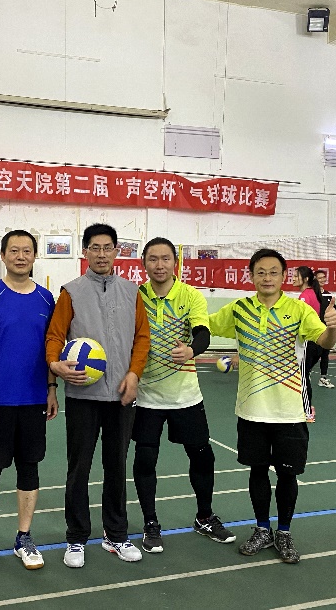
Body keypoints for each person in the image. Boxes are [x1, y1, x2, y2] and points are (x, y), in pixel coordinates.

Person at [208, 249, 336, 565]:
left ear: (284, 277)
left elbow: (324, 341)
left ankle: (284, 532)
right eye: (261, 272)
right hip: (252, 408)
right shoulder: (239, 309)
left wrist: (333, 327)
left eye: (274, 272)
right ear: (251, 276)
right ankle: (262, 528)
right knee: (257, 471)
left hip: (289, 409)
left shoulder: (298, 309)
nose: (267, 278)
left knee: (287, 474)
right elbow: (206, 324)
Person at [46, 223, 150, 568]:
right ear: (85, 252)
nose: (102, 254)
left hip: (121, 396)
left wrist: (134, 374)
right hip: (82, 397)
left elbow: (142, 338)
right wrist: (55, 365)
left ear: (117, 251)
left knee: (116, 466)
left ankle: (116, 534)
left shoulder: (132, 292)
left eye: (108, 248)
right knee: (79, 468)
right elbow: (55, 336)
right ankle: (76, 537)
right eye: (95, 248)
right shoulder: (71, 292)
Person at [133, 237, 234, 553]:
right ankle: (150, 523)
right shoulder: (136, 297)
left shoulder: (190, 295)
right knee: (145, 459)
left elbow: (202, 332)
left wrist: (191, 349)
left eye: (165, 258)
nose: (159, 265)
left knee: (202, 456)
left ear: (174, 263)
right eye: (153, 259)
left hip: (185, 395)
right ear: (144, 263)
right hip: (147, 396)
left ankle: (204, 517)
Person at [0, 230, 57, 573]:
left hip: (34, 400)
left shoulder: (47, 299)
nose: (21, 256)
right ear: (3, 255)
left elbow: (51, 349)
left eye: (27, 251)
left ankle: (24, 537)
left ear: (35, 256)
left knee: (29, 468)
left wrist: (51, 388)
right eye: (14, 251)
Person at [294, 266, 324, 422]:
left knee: (302, 376)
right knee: (304, 375)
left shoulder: (305, 296)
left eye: (296, 276)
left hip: (309, 342)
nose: (293, 278)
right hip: (315, 342)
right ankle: (305, 406)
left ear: (305, 279)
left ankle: (307, 412)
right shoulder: (313, 293)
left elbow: (300, 321)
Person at [315, 270, 336, 389]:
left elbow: (333, 311)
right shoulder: (312, 295)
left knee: (325, 354)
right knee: (311, 355)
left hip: (326, 330)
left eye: (324, 277)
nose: (322, 280)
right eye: (320, 278)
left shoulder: (328, 295)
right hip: (313, 331)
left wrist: (335, 331)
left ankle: (323, 378)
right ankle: (305, 376)